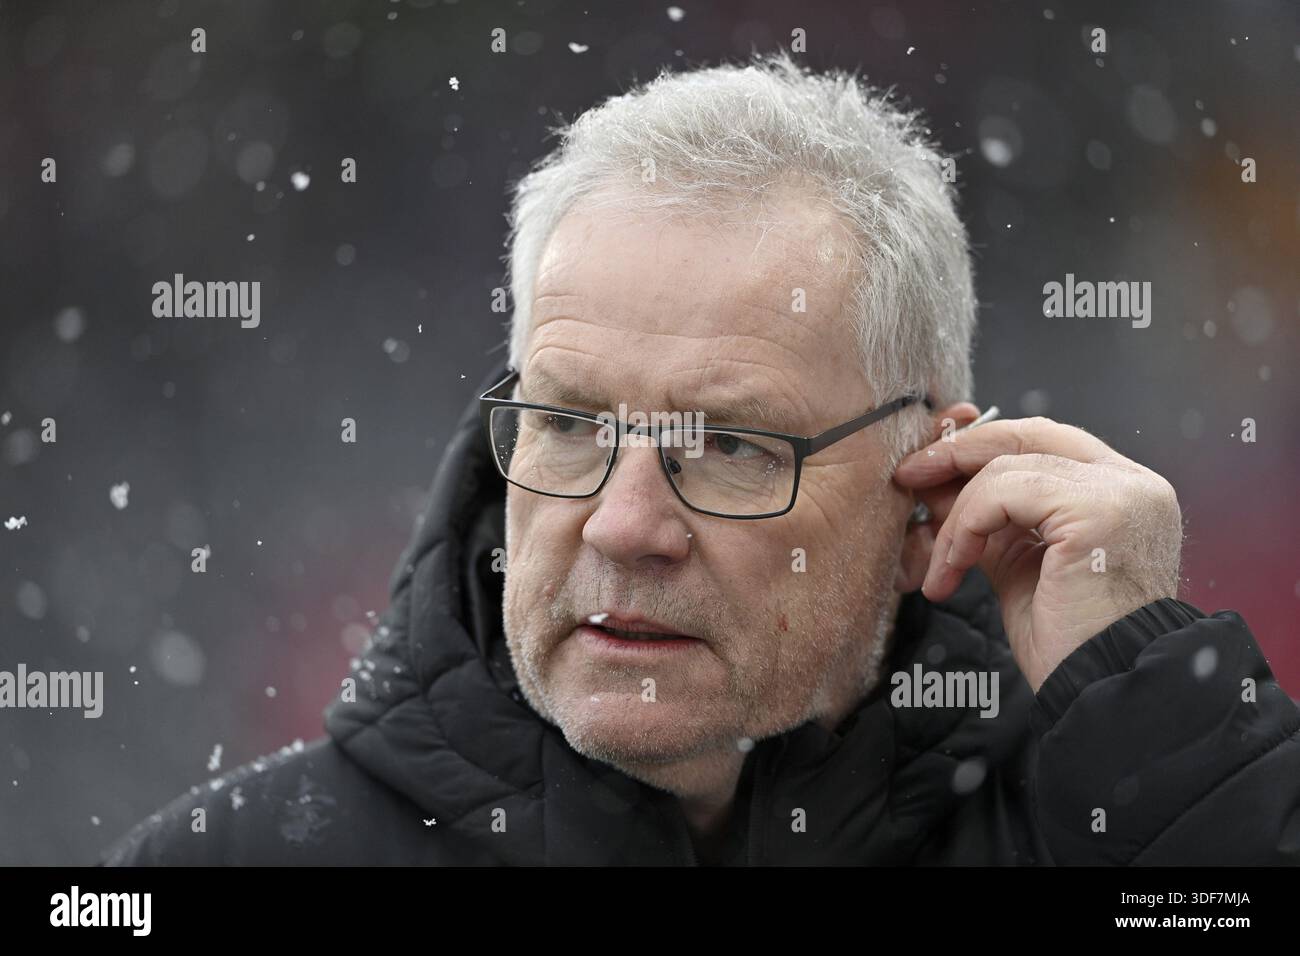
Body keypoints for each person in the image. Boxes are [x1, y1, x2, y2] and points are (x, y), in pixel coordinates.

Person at [103, 52, 1299, 866]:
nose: (624, 525)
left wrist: (1160, 742)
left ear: (932, 486)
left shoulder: (1116, 827)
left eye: (728, 444)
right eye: (570, 422)